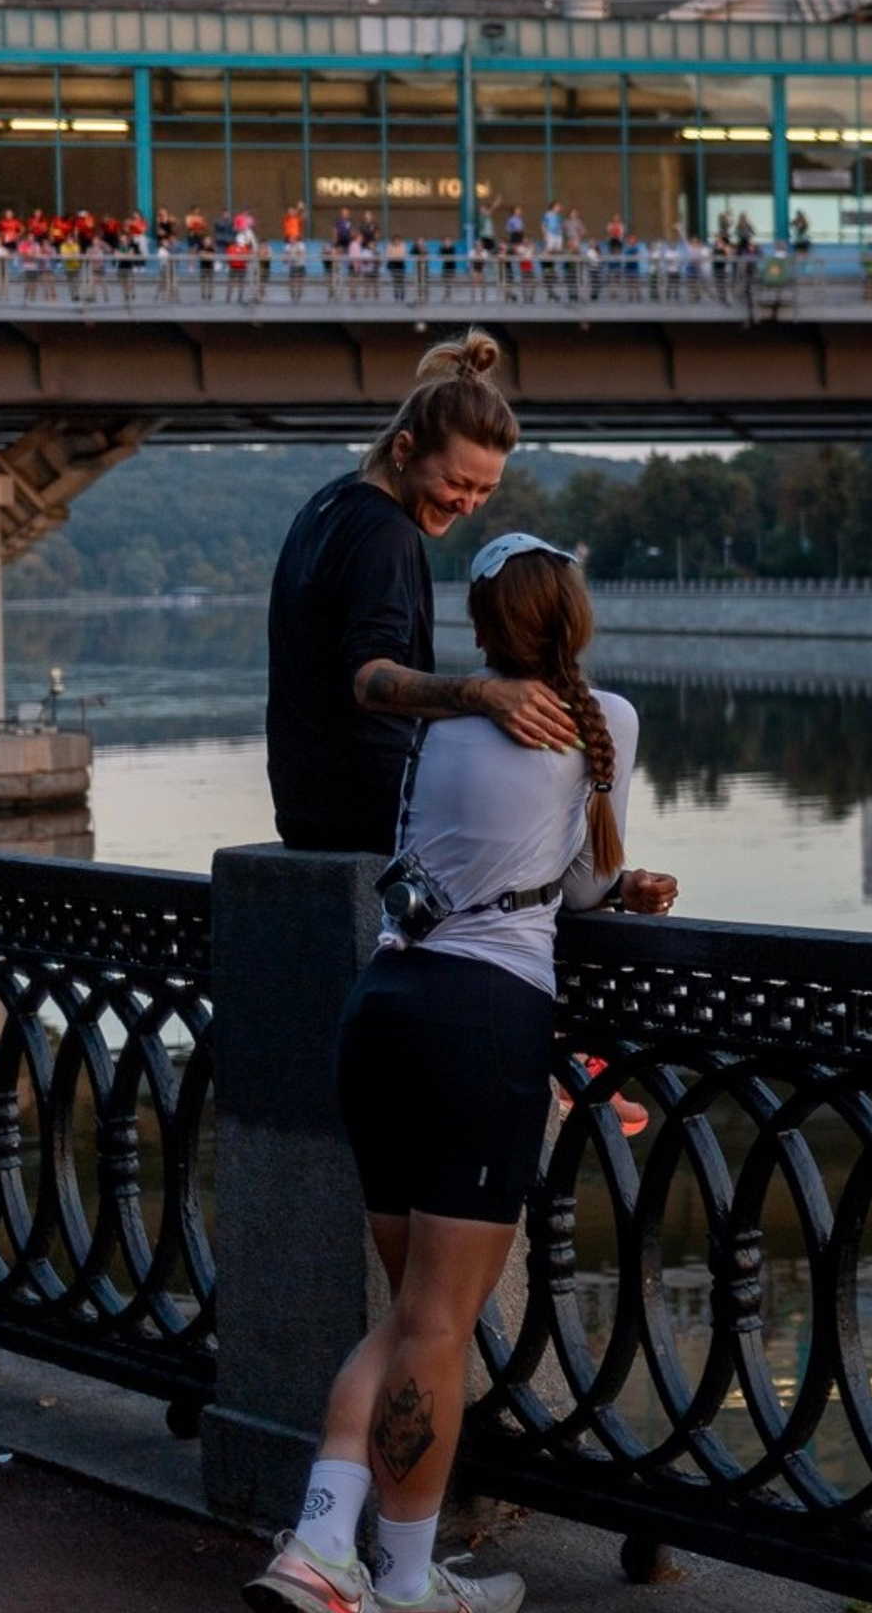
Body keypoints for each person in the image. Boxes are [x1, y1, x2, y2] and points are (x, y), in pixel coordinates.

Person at [244, 532, 679, 1613]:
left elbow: (521, 859)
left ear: (479, 626)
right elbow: (578, 885)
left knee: (406, 1318)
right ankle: (397, 1583)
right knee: (437, 1326)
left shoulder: (435, 721)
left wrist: (595, 886)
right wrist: (617, 892)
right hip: (480, 1024)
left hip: (382, 1007)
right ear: (572, 620)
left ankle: (317, 1549)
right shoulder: (603, 720)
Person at [266, 331, 577, 856]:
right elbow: (371, 680)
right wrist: (487, 697)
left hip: (305, 809)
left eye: (485, 490)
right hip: (372, 812)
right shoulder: (385, 532)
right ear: (404, 449)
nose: (469, 505)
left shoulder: (328, 503)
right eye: (458, 483)